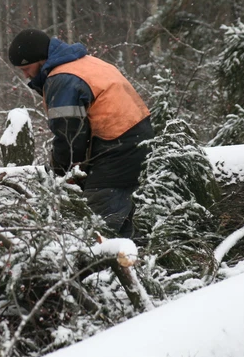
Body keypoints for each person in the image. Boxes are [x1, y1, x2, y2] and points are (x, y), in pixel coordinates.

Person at [8, 28, 153, 238]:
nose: (26, 75)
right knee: (124, 229)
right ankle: (133, 265)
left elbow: (69, 137)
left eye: (27, 68)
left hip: (116, 152)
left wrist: (58, 173)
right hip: (139, 143)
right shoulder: (86, 63)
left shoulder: (62, 78)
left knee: (95, 232)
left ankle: (99, 268)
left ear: (41, 58)